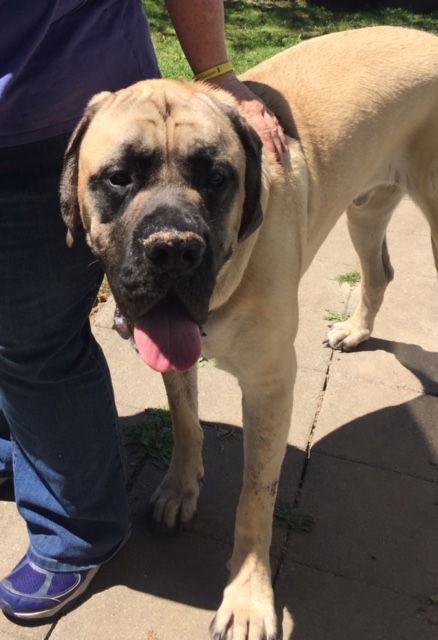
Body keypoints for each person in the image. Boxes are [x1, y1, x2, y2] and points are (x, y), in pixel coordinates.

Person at [0, 0, 286, 621]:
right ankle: (23, 445)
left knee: (34, 344)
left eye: (211, 182)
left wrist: (216, 72)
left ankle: (76, 527)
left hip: (38, 110)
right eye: (122, 180)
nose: (173, 241)